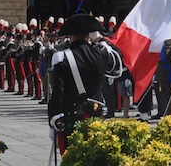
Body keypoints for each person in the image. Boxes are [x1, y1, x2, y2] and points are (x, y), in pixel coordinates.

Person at [46, 13, 122, 155]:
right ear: (89, 35)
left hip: (71, 118)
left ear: (71, 36)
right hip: (96, 116)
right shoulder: (100, 53)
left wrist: (53, 119)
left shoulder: (62, 57)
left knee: (73, 158)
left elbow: (57, 94)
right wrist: (101, 40)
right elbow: (118, 62)